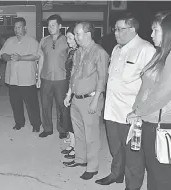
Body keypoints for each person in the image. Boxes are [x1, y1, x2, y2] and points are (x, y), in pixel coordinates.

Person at [126, 10, 171, 190]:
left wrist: (138, 111)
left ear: (169, 31)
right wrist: (137, 110)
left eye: (156, 30)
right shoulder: (161, 53)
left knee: (159, 174)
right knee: (153, 171)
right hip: (150, 120)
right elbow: (147, 87)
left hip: (162, 124)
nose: (151, 34)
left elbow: (163, 93)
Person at [95, 13, 156, 190]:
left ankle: (133, 185)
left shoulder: (145, 49)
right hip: (112, 109)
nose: (116, 33)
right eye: (115, 29)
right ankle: (116, 174)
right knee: (116, 147)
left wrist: (140, 111)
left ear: (132, 29)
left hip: (131, 113)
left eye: (120, 29)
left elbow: (150, 84)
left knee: (133, 154)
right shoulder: (116, 49)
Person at [62, 22, 108, 180]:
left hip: (90, 99)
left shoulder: (99, 53)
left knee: (91, 135)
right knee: (79, 132)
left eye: (78, 34)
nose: (75, 37)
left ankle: (92, 167)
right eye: (74, 34)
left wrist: (96, 100)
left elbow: (102, 79)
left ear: (88, 34)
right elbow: (73, 76)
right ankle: (80, 159)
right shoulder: (78, 52)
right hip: (76, 98)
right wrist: (69, 95)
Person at [0, 17, 42, 132]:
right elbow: (2, 54)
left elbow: (37, 56)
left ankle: (36, 124)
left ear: (25, 28)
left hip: (27, 79)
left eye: (19, 27)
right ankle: (19, 122)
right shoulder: (10, 41)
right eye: (15, 27)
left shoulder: (32, 41)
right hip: (13, 79)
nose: (16, 29)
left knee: (32, 104)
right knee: (15, 103)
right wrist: (8, 57)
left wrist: (20, 58)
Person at [37, 14, 70, 139]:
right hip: (46, 78)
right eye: (49, 25)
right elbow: (41, 59)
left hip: (62, 79)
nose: (50, 28)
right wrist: (38, 77)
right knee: (45, 105)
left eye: (53, 25)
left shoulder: (67, 40)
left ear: (60, 26)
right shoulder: (44, 41)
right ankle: (47, 128)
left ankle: (62, 129)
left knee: (62, 105)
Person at [61, 25, 77, 159]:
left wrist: (70, 92)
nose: (68, 40)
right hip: (68, 85)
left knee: (74, 118)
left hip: (75, 88)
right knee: (68, 116)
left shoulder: (80, 52)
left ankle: (76, 145)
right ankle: (72, 143)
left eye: (70, 38)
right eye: (67, 38)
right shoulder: (71, 51)